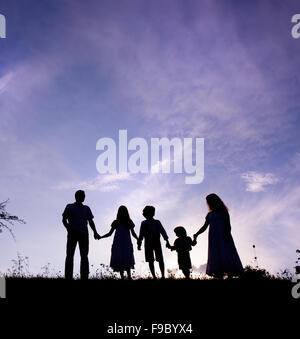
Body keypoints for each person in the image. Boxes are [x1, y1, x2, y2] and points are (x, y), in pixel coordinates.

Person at [193, 193, 244, 278]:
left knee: (227, 255)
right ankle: (219, 276)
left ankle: (230, 276)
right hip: (213, 238)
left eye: (210, 201)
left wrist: (227, 234)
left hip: (224, 236)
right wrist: (197, 234)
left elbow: (228, 224)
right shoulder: (209, 215)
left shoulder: (224, 211)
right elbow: (205, 226)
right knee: (216, 256)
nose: (209, 203)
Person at [62, 190, 100, 280]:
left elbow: (90, 221)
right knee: (70, 255)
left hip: (84, 234)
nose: (83, 197)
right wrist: (68, 228)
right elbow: (64, 219)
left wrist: (95, 232)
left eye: (84, 195)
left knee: (84, 256)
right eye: (82, 195)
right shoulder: (69, 206)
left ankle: (84, 277)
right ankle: (68, 277)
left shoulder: (86, 208)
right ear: (76, 196)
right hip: (72, 234)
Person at [100, 206, 138, 280]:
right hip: (118, 243)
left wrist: (138, 239)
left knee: (127, 258)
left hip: (126, 243)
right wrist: (101, 237)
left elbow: (133, 233)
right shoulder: (116, 222)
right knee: (120, 258)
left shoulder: (129, 222)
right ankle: (122, 277)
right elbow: (109, 233)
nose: (122, 213)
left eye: (123, 211)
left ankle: (129, 277)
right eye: (121, 212)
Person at [137, 206, 170, 279]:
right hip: (148, 242)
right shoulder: (144, 223)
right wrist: (139, 243)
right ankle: (154, 276)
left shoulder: (157, 222)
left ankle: (163, 276)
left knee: (160, 259)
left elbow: (162, 231)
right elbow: (141, 234)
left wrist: (167, 241)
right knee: (150, 260)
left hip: (156, 241)